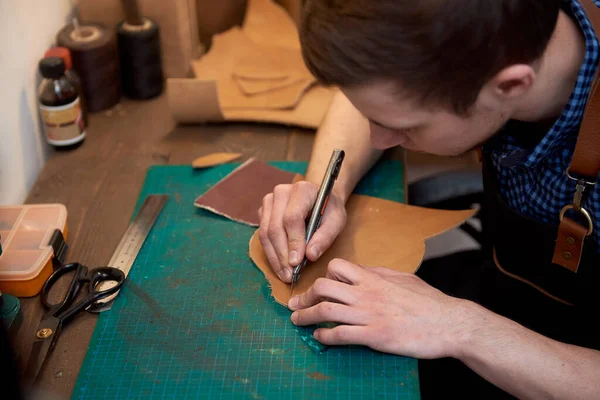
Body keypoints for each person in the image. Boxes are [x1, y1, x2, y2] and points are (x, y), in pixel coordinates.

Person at [257, 0, 600, 398]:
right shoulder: (482, 42)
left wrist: (462, 327)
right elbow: (382, 85)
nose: (377, 140)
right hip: (501, 289)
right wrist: (327, 189)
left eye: (402, 126)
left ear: (509, 86)